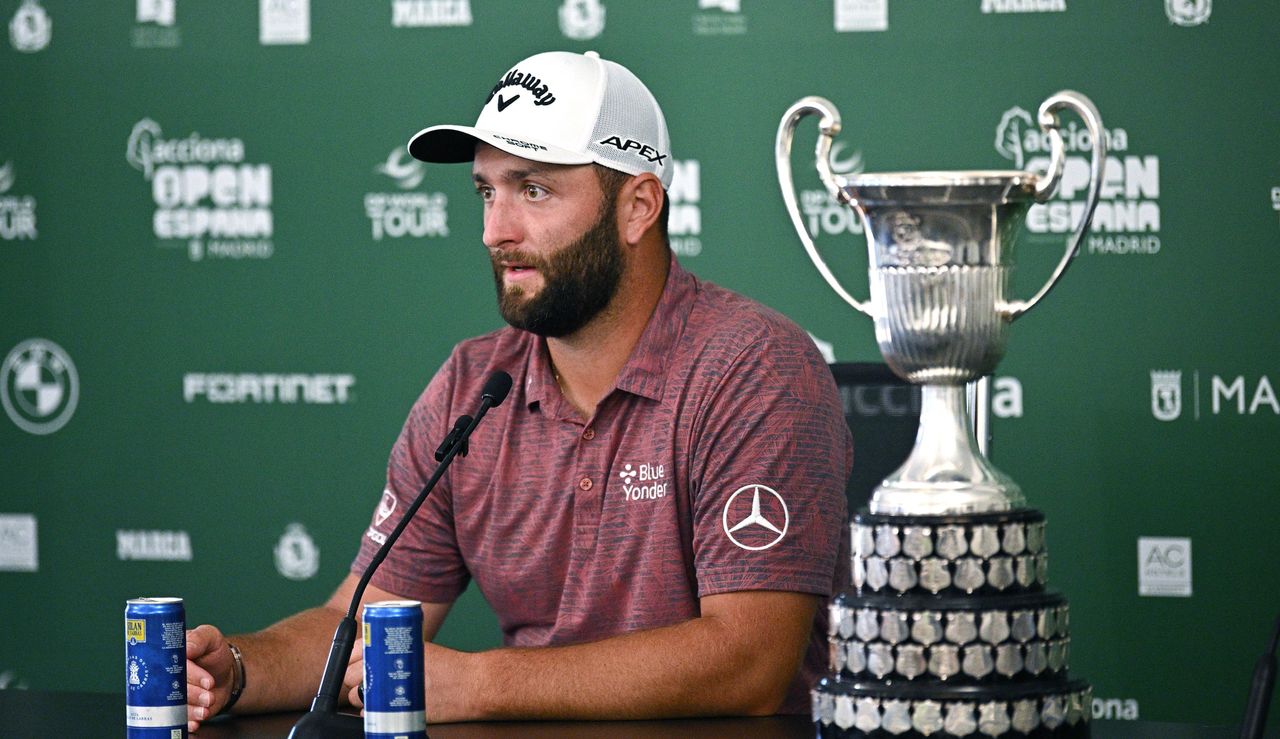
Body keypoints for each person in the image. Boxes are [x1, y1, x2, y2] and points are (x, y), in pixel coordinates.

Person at [184, 50, 852, 731]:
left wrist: (478, 682)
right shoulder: (474, 386)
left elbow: (749, 661)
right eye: (486, 191)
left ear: (638, 207)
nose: (494, 231)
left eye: (533, 190)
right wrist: (237, 668)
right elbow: (355, 621)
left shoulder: (753, 367)